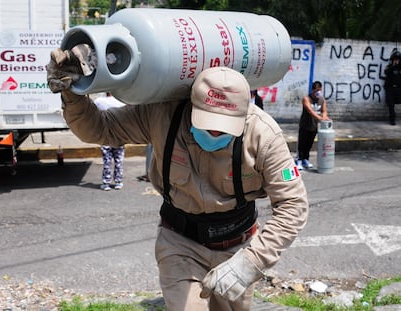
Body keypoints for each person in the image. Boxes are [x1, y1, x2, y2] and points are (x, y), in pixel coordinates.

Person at [47, 49, 308, 311]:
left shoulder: (264, 135)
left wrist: (250, 262)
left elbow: (293, 206)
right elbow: (100, 128)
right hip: (180, 243)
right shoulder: (163, 114)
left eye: (224, 127)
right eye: (207, 123)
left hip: (238, 248)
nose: (214, 132)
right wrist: (73, 93)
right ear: (192, 104)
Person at [94, 92, 126, 190]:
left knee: (107, 161)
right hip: (118, 135)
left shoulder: (99, 101)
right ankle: (118, 182)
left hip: (105, 135)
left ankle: (106, 183)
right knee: (119, 160)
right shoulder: (121, 101)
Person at [296, 81, 329, 171]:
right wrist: (320, 118)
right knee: (302, 144)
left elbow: (324, 110)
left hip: (314, 126)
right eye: (317, 90)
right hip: (305, 125)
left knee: (309, 144)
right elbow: (310, 111)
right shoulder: (306, 99)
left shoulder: (321, 100)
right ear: (313, 90)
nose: (319, 92)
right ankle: (298, 160)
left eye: (320, 90)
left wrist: (324, 117)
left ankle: (305, 160)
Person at [384, 50, 401, 126]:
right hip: (390, 89)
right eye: (395, 59)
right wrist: (393, 66)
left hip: (398, 89)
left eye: (398, 59)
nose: (396, 60)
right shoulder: (389, 66)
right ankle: (392, 119)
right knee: (391, 104)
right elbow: (386, 72)